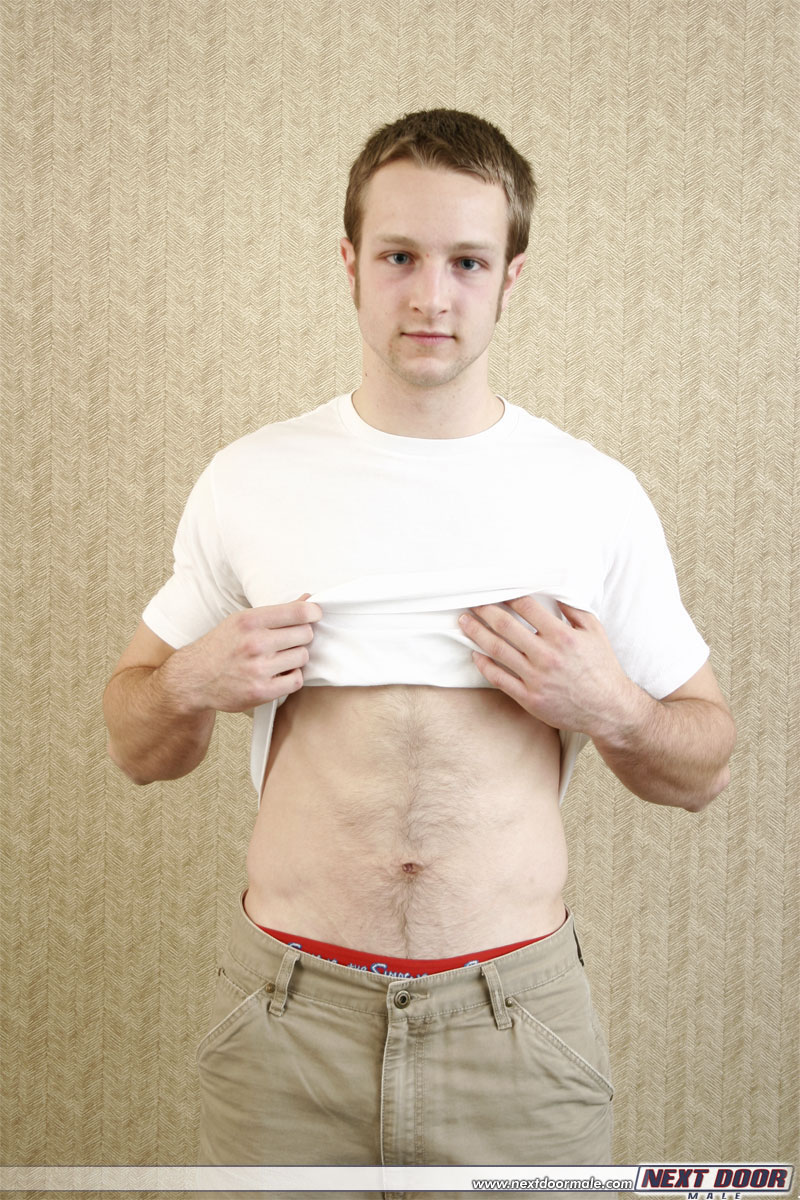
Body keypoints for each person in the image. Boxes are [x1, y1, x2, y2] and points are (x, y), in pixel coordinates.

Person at [103, 109, 736, 1180]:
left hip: (513, 1033)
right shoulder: (251, 477)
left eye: (466, 262)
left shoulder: (591, 494)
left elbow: (704, 767)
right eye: (398, 256)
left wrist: (613, 708)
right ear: (350, 263)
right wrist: (191, 682)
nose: (431, 296)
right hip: (288, 1027)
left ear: (510, 277)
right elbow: (134, 743)